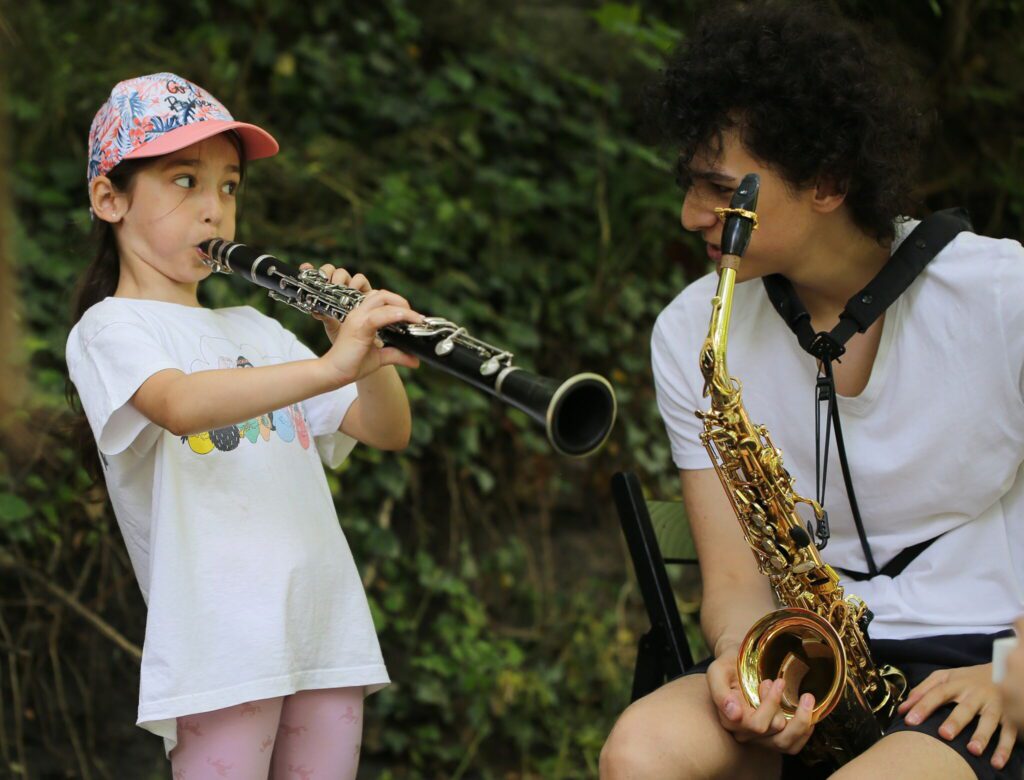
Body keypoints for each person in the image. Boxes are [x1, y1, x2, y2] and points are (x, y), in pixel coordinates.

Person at [599, 3, 1024, 779]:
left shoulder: (1004, 295)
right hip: (806, 658)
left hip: (987, 661)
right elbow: (732, 581)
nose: (692, 214)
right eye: (690, 183)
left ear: (827, 182)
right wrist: (740, 661)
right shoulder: (692, 329)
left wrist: (1020, 672)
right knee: (640, 749)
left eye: (719, 188)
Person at [65, 72, 424, 778]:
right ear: (110, 198)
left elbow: (386, 430)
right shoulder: (111, 327)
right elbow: (179, 403)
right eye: (184, 181)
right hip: (220, 647)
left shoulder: (255, 327)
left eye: (229, 187)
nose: (215, 211)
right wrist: (331, 366)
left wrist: (363, 354)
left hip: (324, 628)